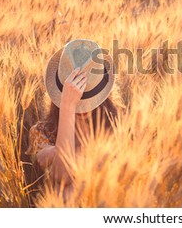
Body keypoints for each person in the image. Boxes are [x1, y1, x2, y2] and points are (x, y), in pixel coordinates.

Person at [26, 39, 120, 193]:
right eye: (74, 97)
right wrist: (68, 107)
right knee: (66, 189)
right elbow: (63, 177)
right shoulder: (40, 132)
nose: (82, 108)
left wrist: (53, 153)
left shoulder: (118, 128)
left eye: (84, 99)